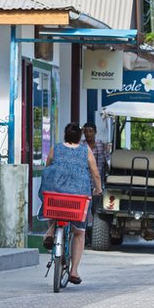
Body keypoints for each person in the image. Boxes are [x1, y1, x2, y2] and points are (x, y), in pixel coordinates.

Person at [41, 122, 103, 285]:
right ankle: (74, 270)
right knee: (79, 233)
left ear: (64, 135)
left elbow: (47, 167)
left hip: (57, 194)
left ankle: (50, 231)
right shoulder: (85, 151)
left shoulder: (56, 148)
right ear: (80, 137)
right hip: (78, 197)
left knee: (51, 202)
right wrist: (98, 189)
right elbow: (95, 174)